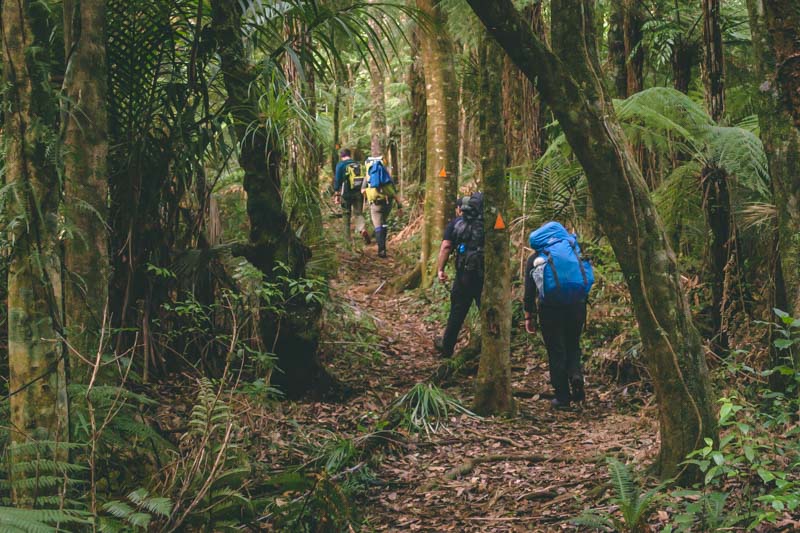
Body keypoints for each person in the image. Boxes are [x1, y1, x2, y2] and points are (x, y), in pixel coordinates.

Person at [523, 221, 592, 409]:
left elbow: (529, 293)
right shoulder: (574, 249)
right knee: (573, 344)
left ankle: (562, 398)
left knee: (556, 350)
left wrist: (529, 317)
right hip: (577, 306)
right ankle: (576, 375)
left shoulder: (536, 258)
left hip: (550, 309)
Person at [434, 193, 484, 358]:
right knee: (487, 312)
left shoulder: (456, 224)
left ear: (460, 209)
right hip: (485, 276)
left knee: (457, 311)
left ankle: (447, 347)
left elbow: (446, 247)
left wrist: (440, 269)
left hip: (465, 275)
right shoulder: (489, 224)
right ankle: (492, 349)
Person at [362, 156, 403, 258]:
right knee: (383, 222)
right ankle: (383, 247)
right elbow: (394, 192)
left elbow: (362, 191)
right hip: (387, 203)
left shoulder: (368, 176)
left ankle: (381, 250)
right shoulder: (386, 175)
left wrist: (369, 193)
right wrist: (399, 206)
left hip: (375, 204)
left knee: (378, 225)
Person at [333, 148, 369, 244]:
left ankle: (347, 239)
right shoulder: (357, 164)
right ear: (350, 155)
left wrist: (337, 194)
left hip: (346, 193)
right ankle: (362, 229)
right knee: (358, 213)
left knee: (346, 214)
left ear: (341, 156)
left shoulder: (340, 165)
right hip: (358, 192)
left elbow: (337, 180)